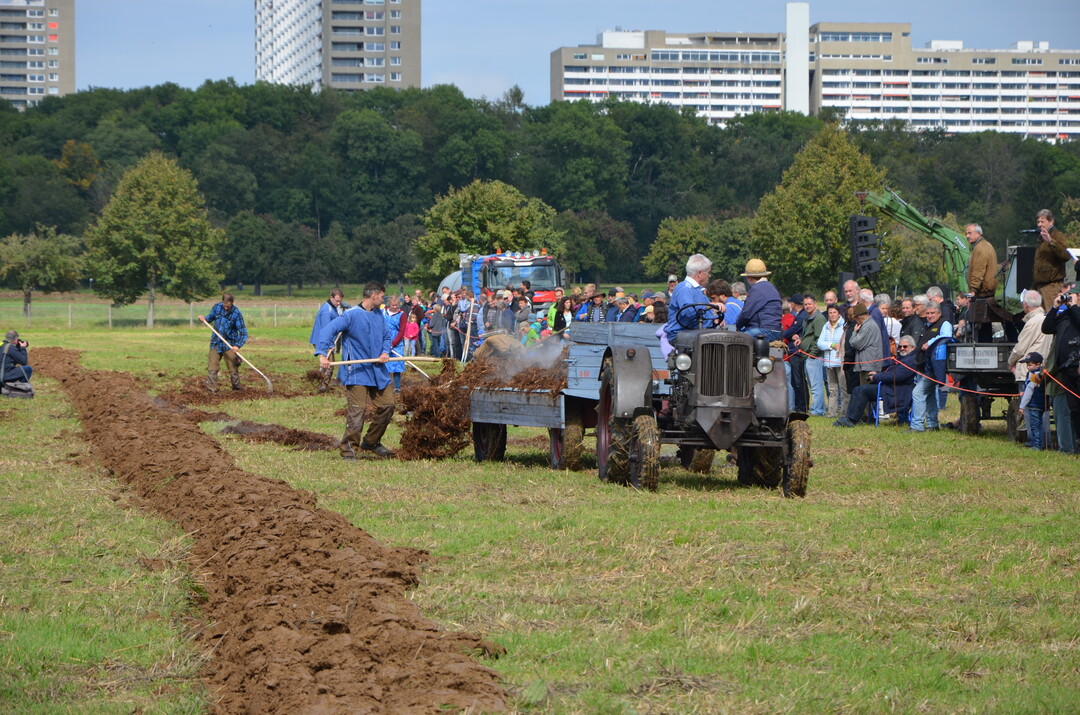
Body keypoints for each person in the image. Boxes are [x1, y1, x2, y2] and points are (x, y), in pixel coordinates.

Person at [315, 282, 396, 459]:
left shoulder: (378, 315)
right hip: (357, 371)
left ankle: (371, 442)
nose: (384, 300)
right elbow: (328, 330)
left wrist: (384, 351)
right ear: (374, 296)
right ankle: (349, 449)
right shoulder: (350, 315)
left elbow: (386, 336)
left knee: (388, 405)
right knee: (357, 410)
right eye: (382, 296)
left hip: (378, 370)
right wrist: (323, 354)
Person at [834, 334, 919, 428]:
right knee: (858, 389)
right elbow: (891, 372)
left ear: (912, 347)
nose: (902, 348)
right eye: (900, 346)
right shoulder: (903, 358)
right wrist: (876, 374)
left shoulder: (912, 360)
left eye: (905, 346)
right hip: (890, 387)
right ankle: (850, 418)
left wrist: (876, 377)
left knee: (862, 390)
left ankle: (852, 420)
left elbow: (896, 376)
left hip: (898, 390)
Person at [1041, 285, 1080, 453]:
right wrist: (1055, 307)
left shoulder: (1076, 313)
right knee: (1073, 408)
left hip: (1078, 368)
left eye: (1072, 295)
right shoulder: (1065, 315)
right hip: (1066, 369)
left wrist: (1074, 306)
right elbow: (1047, 328)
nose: (1069, 298)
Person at [910, 302, 953, 432]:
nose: (929, 316)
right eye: (927, 313)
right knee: (929, 396)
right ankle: (932, 424)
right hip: (925, 366)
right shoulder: (928, 325)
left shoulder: (945, 324)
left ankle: (917, 426)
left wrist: (929, 342)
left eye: (932, 313)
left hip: (934, 367)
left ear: (939, 313)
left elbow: (946, 336)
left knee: (917, 393)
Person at [199, 293, 247, 393]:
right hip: (216, 342)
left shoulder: (236, 313)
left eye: (228, 306)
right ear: (222, 302)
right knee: (213, 366)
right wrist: (204, 319)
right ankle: (212, 389)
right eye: (224, 305)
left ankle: (236, 387)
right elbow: (210, 318)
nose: (225, 308)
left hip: (229, 343)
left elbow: (243, 332)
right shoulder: (217, 308)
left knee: (233, 367)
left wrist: (237, 345)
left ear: (232, 303)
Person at [665, 254, 715, 343]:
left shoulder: (698, 290)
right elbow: (687, 312)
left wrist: (715, 319)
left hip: (700, 333)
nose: (709, 276)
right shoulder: (685, 288)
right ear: (700, 273)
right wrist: (709, 306)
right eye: (708, 272)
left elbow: (705, 315)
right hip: (684, 335)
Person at [310, 289, 351, 391]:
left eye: (340, 301)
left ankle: (321, 382)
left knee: (327, 363)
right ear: (331, 298)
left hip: (325, 340)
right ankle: (323, 385)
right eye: (337, 301)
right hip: (321, 340)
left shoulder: (333, 307)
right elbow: (326, 329)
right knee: (329, 363)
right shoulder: (326, 310)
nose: (338, 303)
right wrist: (329, 344)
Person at [1033, 209, 1072, 311]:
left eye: (1043, 221)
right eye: (1038, 222)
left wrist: (1051, 241)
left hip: (1052, 285)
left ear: (1051, 221)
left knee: (1051, 314)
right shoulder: (1040, 238)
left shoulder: (1057, 235)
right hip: (1040, 284)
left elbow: (1066, 255)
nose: (1040, 224)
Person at [734, 258, 782, 342]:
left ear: (750, 278)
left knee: (734, 340)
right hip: (776, 331)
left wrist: (738, 325)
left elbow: (746, 314)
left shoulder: (756, 289)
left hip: (763, 330)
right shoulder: (772, 288)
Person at [800, 293, 827, 416]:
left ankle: (818, 410)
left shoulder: (819, 318)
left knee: (816, 385)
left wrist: (812, 353)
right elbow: (808, 336)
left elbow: (819, 338)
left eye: (809, 304)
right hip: (807, 355)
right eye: (805, 304)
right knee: (812, 385)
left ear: (815, 304)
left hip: (814, 357)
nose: (807, 306)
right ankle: (816, 408)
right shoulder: (807, 318)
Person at [817, 303, 845, 417]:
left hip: (840, 362)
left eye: (834, 312)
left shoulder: (844, 325)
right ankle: (831, 412)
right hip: (829, 362)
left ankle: (844, 412)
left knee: (843, 388)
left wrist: (839, 347)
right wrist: (832, 345)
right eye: (830, 313)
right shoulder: (826, 326)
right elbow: (820, 343)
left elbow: (843, 344)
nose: (832, 315)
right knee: (832, 389)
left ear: (839, 314)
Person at [1017, 352, 1046, 450]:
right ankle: (1040, 443)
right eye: (1027, 365)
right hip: (1040, 403)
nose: (1028, 367)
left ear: (1038, 364)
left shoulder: (1033, 377)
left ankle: (1037, 445)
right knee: (1038, 425)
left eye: (1030, 365)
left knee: (1035, 426)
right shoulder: (1041, 374)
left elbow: (1028, 392)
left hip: (1034, 404)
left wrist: (1022, 405)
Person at [383, 295, 407, 392]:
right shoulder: (383, 312)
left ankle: (397, 387)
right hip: (384, 339)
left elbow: (401, 331)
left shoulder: (402, 315)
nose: (394, 307)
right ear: (389, 304)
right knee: (385, 363)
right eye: (392, 305)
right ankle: (385, 385)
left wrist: (393, 344)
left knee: (397, 365)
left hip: (397, 341)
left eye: (396, 305)